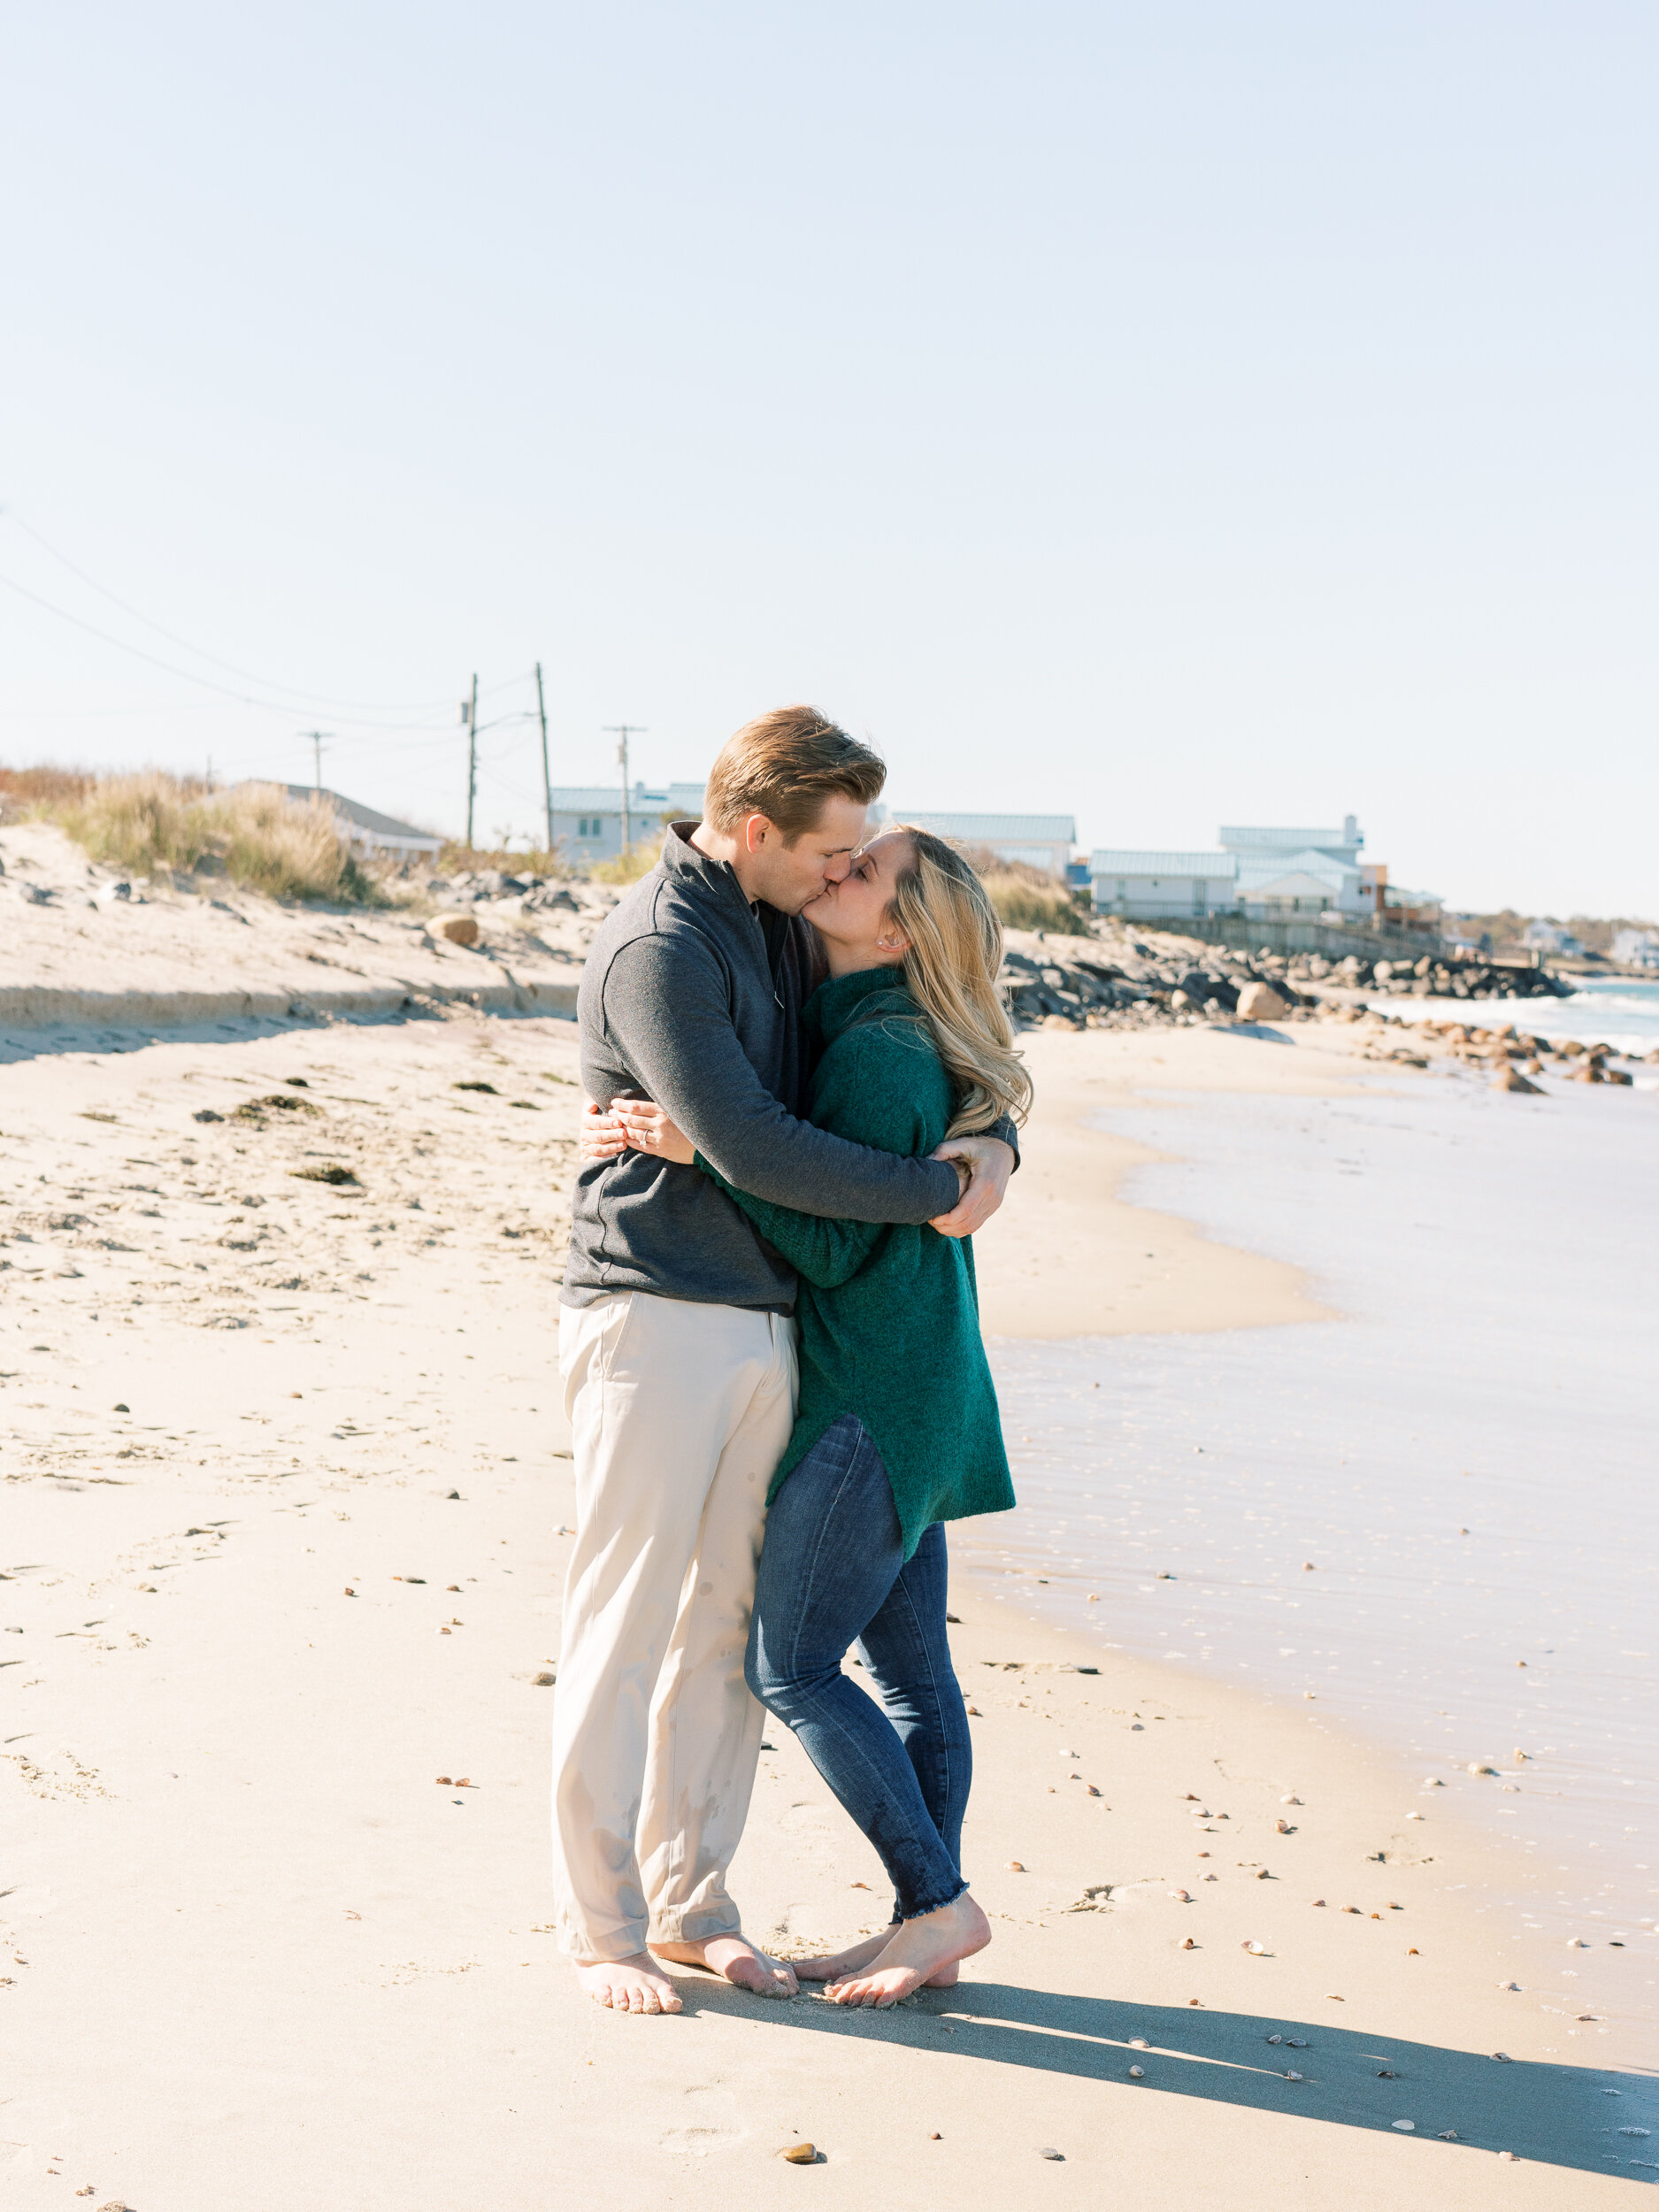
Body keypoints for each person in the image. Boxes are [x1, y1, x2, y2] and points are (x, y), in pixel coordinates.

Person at [554, 707, 1018, 2016]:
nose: (842, 869)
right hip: (656, 1317)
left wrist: (989, 1154)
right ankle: (604, 1931)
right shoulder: (662, 943)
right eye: (836, 850)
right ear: (760, 833)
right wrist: (941, 1181)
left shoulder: (781, 929)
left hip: (773, 1333)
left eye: (860, 856)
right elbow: (758, 1144)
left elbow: (931, 1037)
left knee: (723, 1638)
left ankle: (698, 1907)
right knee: (627, 1627)